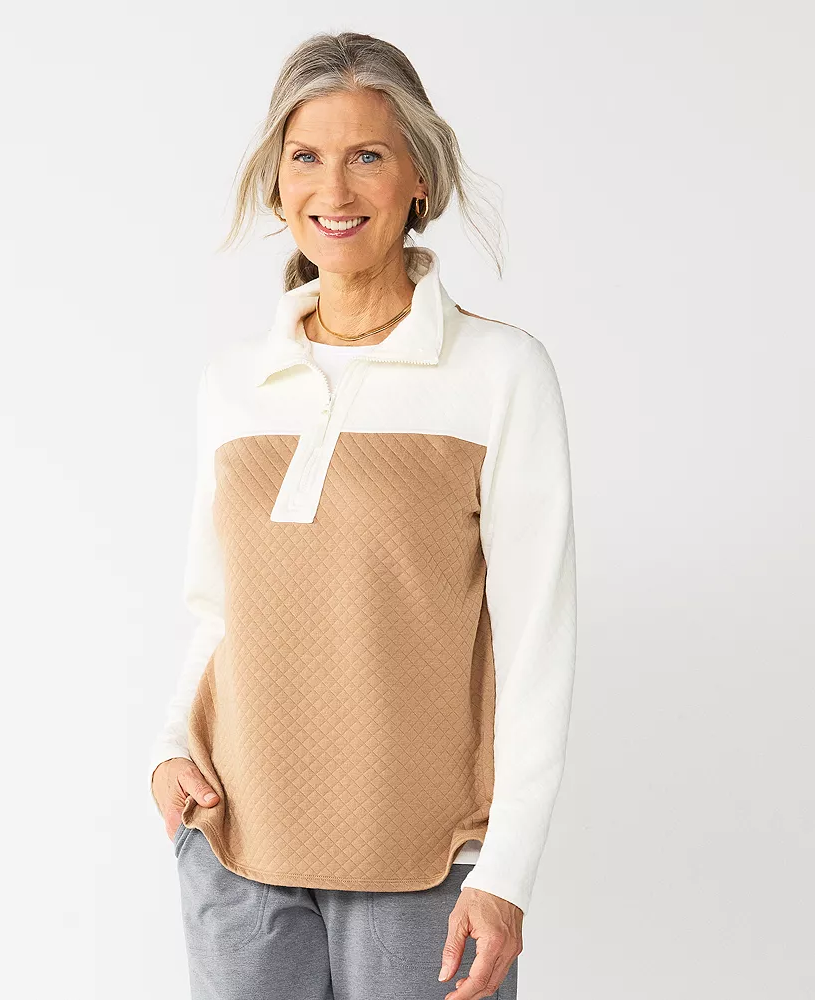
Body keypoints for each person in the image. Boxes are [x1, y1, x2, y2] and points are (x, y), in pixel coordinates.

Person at [149, 30, 578, 1000]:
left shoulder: (499, 373)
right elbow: (215, 610)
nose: (333, 190)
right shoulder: (235, 383)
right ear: (276, 183)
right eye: (306, 156)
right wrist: (170, 747)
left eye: (367, 156)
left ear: (419, 178)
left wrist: (506, 870)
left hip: (426, 864)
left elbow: (536, 641)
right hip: (236, 848)